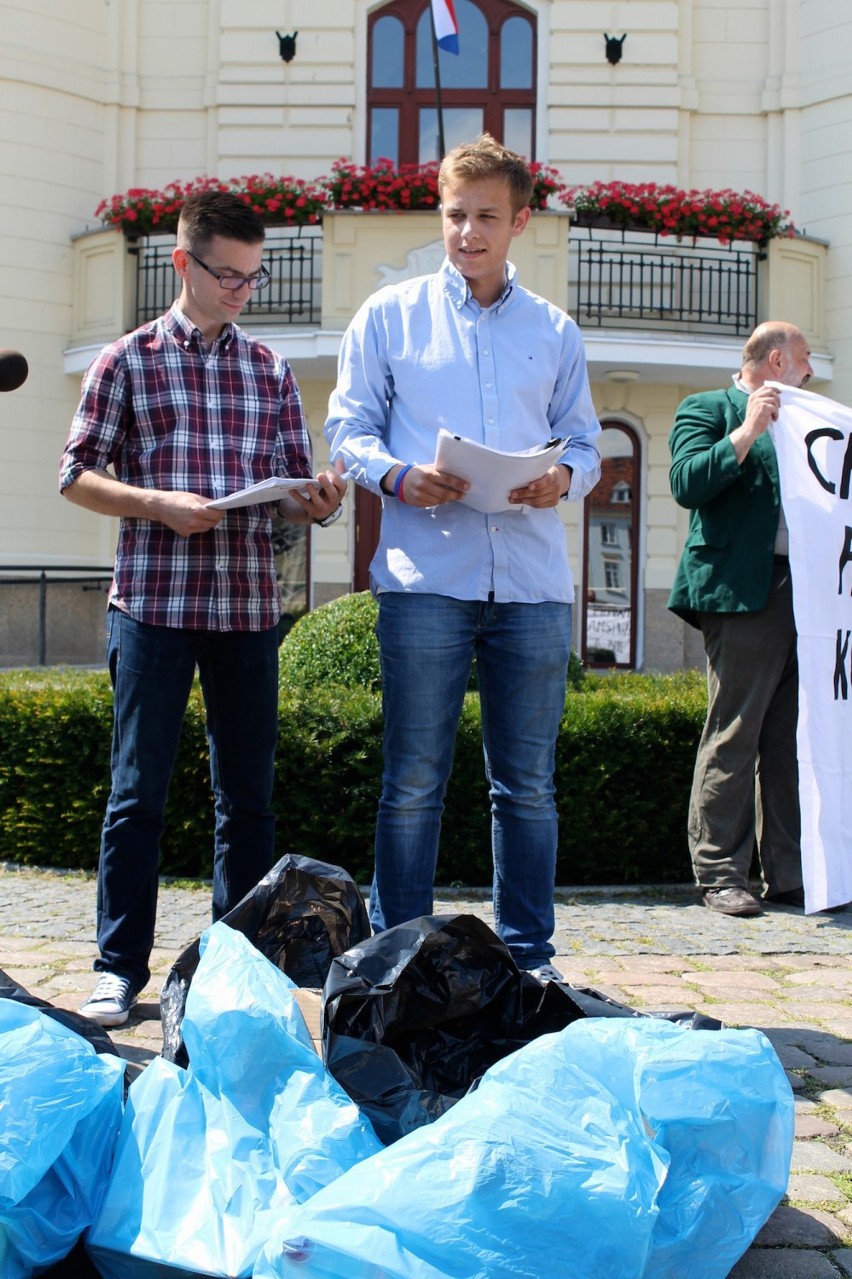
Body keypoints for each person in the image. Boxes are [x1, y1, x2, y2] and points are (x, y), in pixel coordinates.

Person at [60, 190, 346, 1024]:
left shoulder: (271, 371)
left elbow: (293, 492)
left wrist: (317, 499)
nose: (241, 291)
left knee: (247, 798)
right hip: (151, 603)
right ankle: (119, 967)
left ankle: (235, 971)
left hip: (248, 607)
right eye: (229, 275)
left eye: (253, 279)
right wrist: (160, 504)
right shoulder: (126, 361)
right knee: (136, 793)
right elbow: (75, 474)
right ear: (183, 263)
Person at [324, 134, 601, 981]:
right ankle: (398, 957)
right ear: (439, 216)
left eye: (486, 216)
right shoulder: (388, 316)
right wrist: (402, 477)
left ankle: (529, 960)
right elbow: (346, 430)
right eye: (454, 215)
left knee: (527, 787)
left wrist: (560, 477)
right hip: (423, 582)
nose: (468, 232)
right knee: (411, 782)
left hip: (531, 585)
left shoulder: (553, 331)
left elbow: (587, 445)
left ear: (520, 220)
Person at [668, 321, 814, 916]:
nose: (809, 374)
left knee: (792, 741)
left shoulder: (811, 421)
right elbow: (685, 483)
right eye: (803, 363)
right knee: (737, 730)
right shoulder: (707, 406)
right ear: (776, 361)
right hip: (742, 592)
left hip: (810, 594)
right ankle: (721, 872)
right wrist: (748, 430)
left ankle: (794, 875)